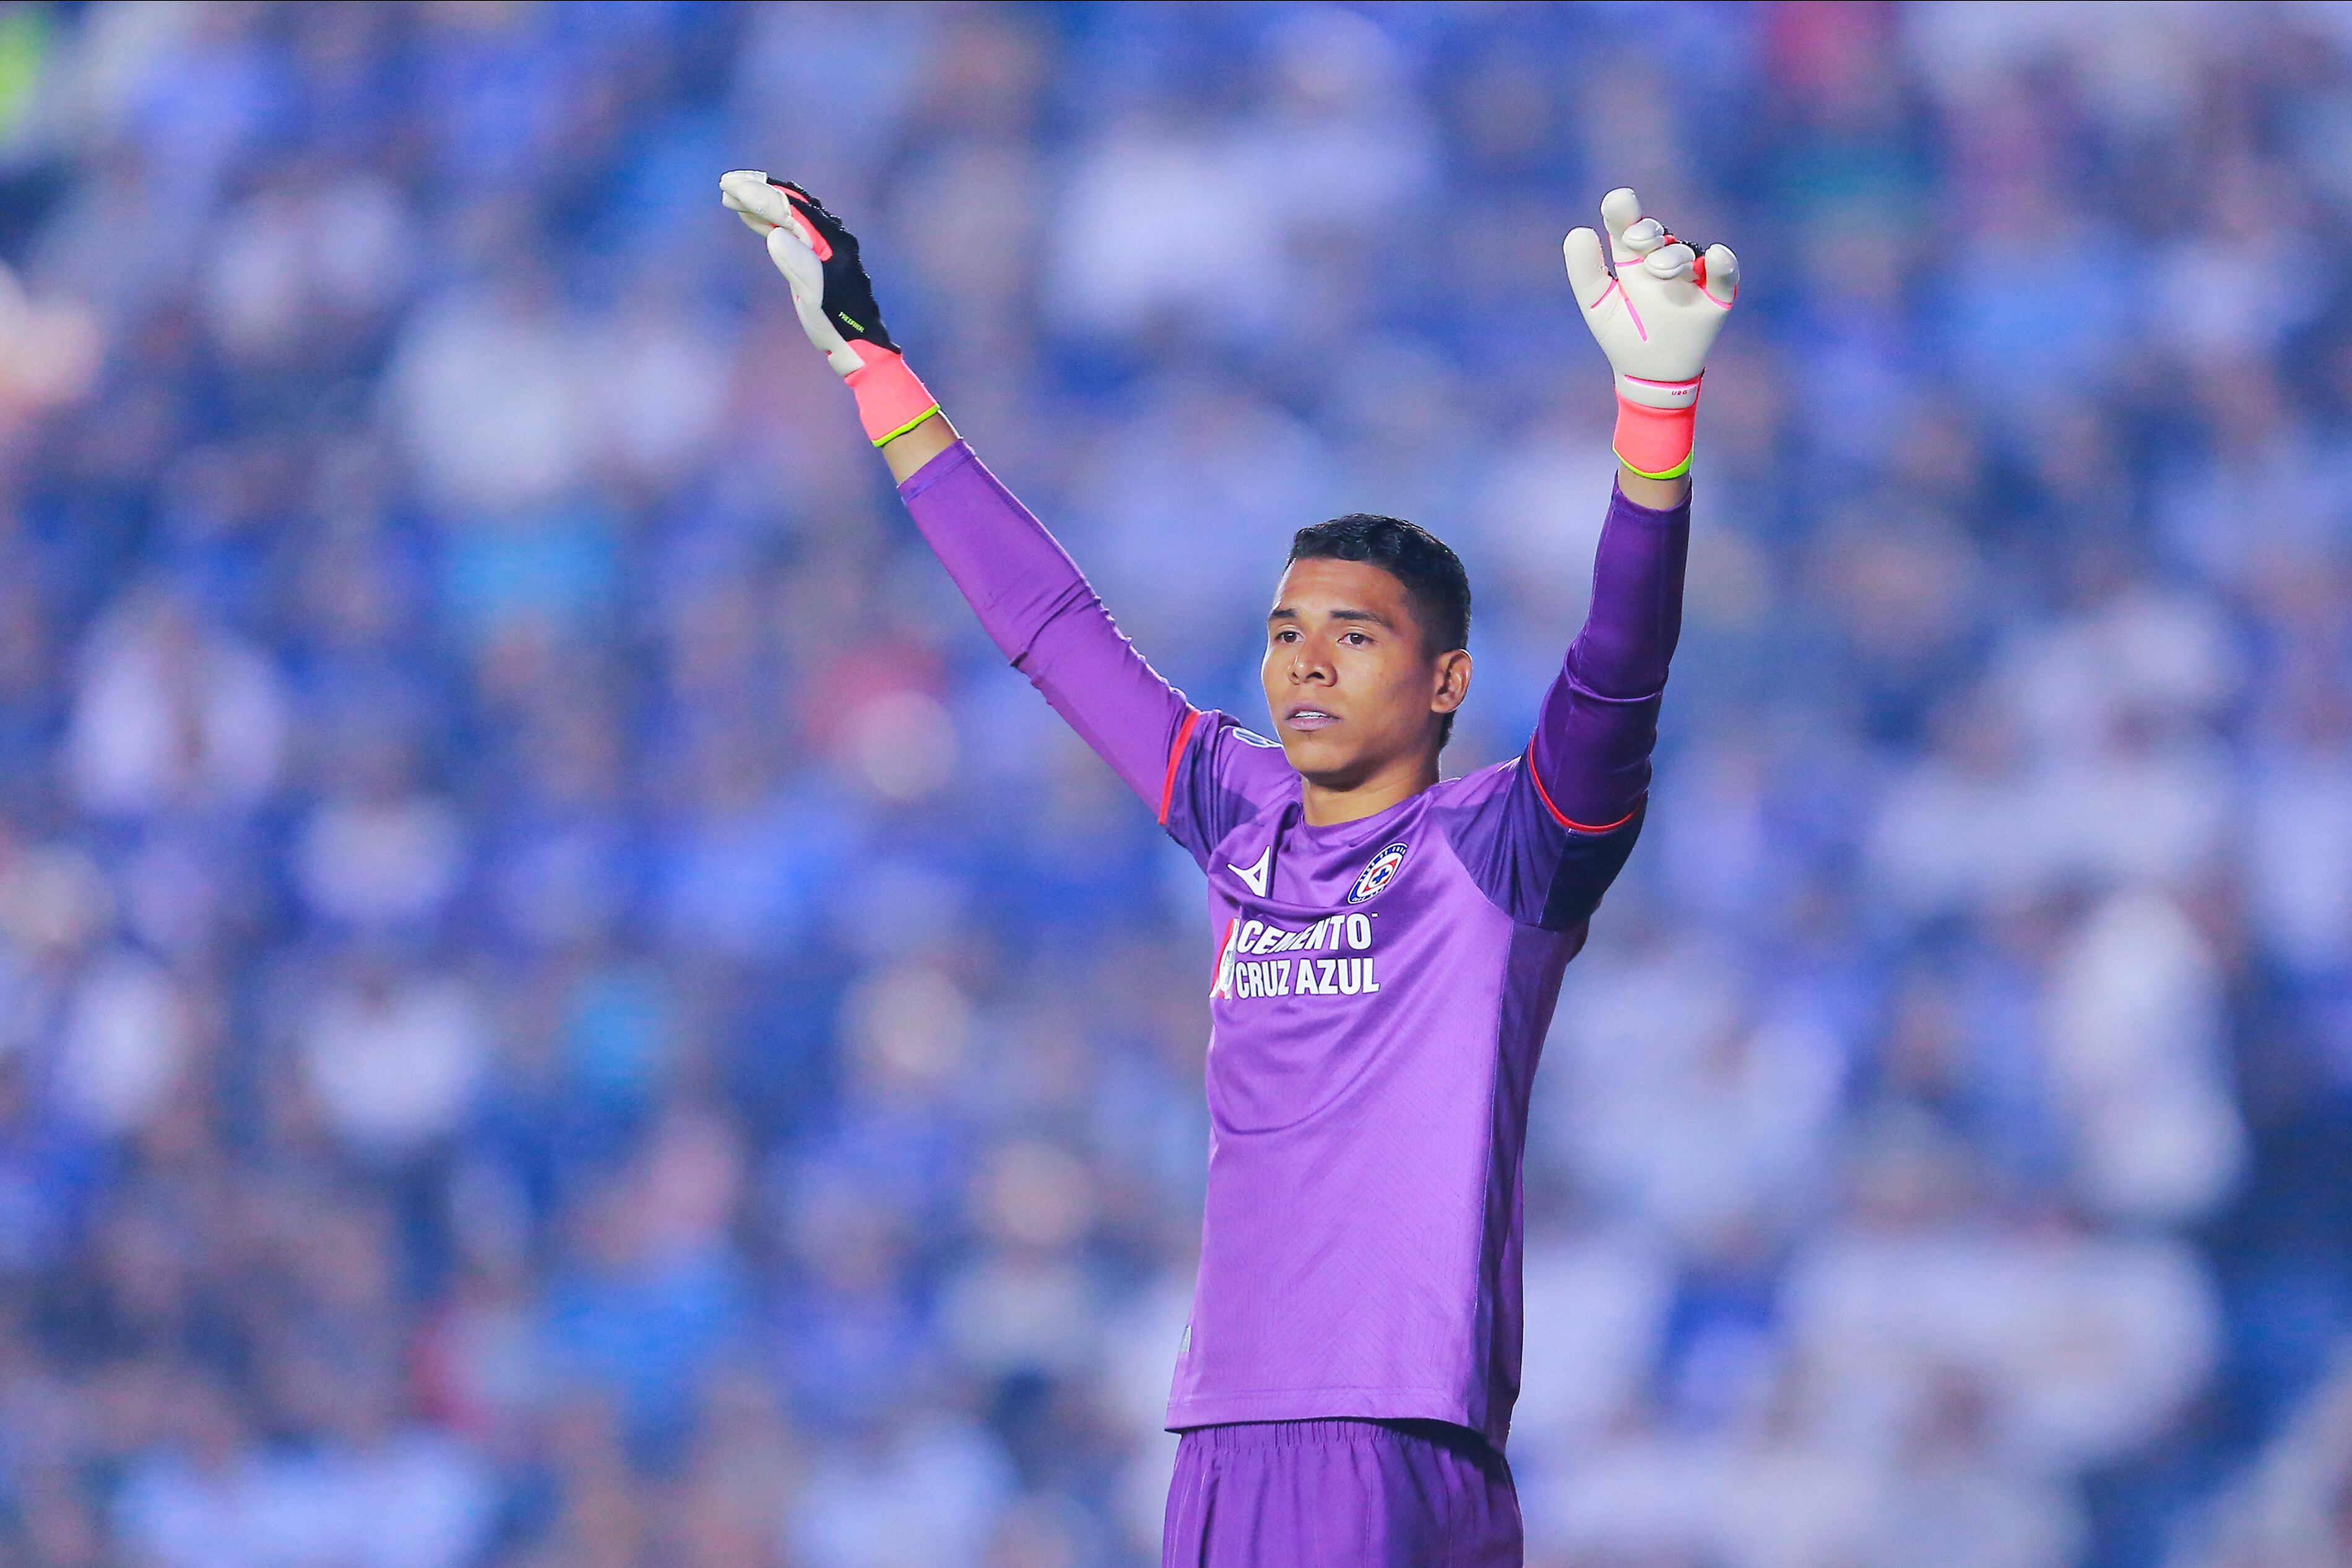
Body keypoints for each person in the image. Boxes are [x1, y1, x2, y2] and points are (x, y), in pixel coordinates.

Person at [719, 170, 1738, 1567]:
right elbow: (1049, 624)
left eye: (1356, 635)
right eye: (1283, 630)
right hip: (1244, 1430)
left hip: (1403, 1434)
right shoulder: (1236, 808)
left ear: (1446, 681)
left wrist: (1655, 425)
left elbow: (1618, 674)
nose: (1305, 662)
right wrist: (874, 368)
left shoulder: (1504, 850)